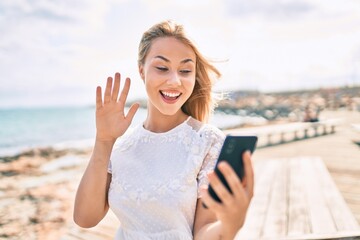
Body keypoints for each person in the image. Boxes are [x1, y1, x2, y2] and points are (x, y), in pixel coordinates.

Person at [73, 20, 254, 240]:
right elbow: (85, 218)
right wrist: (103, 140)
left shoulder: (208, 142)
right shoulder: (120, 145)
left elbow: (204, 231)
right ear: (142, 71)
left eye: (185, 70)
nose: (174, 81)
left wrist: (230, 226)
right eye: (162, 68)